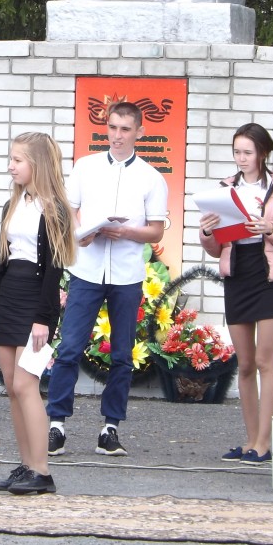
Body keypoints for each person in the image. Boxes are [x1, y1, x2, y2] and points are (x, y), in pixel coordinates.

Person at [47, 101, 168, 457]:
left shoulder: (151, 177)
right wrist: (82, 234)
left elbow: (156, 231)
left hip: (127, 276)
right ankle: (56, 425)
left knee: (121, 355)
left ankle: (110, 428)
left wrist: (127, 232)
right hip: (86, 270)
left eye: (125, 129)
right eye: (113, 127)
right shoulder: (85, 167)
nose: (117, 135)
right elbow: (69, 213)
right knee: (69, 348)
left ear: (139, 132)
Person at [0, 133, 77, 495]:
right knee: (12, 387)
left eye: (17, 160)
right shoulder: (13, 204)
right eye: (11, 159)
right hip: (9, 297)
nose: (11, 166)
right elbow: (1, 259)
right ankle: (26, 465)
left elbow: (53, 268)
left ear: (37, 164)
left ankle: (42, 471)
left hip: (36, 303)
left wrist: (43, 318)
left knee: (26, 384)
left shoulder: (55, 210)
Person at [198, 123, 273, 465]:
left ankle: (264, 442)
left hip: (267, 275)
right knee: (243, 364)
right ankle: (250, 439)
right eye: (237, 152)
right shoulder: (226, 189)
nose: (241, 159)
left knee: (263, 360)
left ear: (263, 153)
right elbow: (216, 248)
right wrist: (207, 233)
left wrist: (271, 228)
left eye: (247, 152)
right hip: (238, 273)